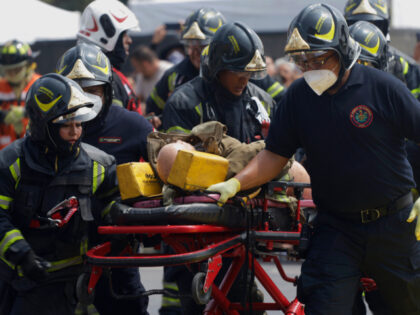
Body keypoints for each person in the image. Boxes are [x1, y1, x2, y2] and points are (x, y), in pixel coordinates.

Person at [207, 3, 420, 314]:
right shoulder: (297, 99)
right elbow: (275, 155)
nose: (311, 68)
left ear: (343, 49)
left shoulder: (383, 89)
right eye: (303, 61)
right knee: (324, 305)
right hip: (337, 228)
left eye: (320, 58)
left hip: (393, 225)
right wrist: (236, 183)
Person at [0, 73, 117, 315]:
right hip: (21, 280)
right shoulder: (11, 163)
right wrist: (22, 255)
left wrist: (126, 222)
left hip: (77, 283)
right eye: (66, 125)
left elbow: (113, 209)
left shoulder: (99, 165)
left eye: (79, 124)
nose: (75, 132)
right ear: (43, 125)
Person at [56, 42, 153, 315]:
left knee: (128, 306)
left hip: (117, 255)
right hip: (59, 254)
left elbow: (165, 174)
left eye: (93, 89)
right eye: (76, 89)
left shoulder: (133, 126)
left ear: (107, 91)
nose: (84, 97)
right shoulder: (47, 129)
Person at [162, 21, 275, 143]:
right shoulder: (183, 104)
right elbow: (179, 156)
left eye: (249, 73)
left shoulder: (264, 103)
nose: (244, 80)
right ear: (218, 67)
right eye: (238, 72)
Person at [145, 7, 226, 128]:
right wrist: (153, 120)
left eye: (203, 46)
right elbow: (151, 111)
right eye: (191, 45)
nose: (196, 53)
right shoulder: (173, 76)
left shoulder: (232, 74)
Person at [344, 0, 420, 100]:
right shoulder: (336, 65)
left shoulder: (407, 68)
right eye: (356, 24)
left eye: (374, 25)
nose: (365, 34)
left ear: (385, 28)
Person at [78, 0, 142, 114]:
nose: (130, 40)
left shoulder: (106, 74)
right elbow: (116, 123)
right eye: (124, 35)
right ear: (106, 35)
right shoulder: (105, 79)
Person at [0, 39, 41, 149]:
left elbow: (52, 112)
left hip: (33, 151)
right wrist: (3, 116)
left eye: (17, 69)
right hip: (3, 153)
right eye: (8, 70)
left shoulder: (40, 86)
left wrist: (25, 113)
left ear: (28, 66)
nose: (12, 74)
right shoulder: (1, 86)